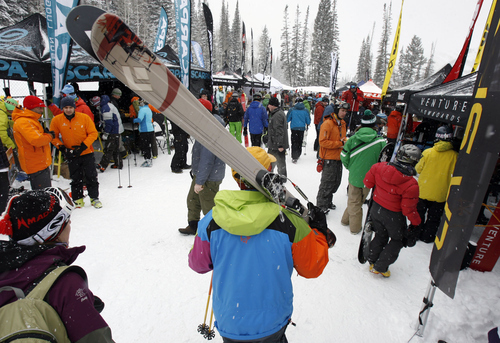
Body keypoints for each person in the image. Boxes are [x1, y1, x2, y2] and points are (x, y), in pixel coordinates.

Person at [188, 146, 334, 343]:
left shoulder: (211, 221)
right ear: (269, 176)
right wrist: (318, 234)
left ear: (236, 177)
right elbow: (312, 267)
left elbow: (198, 264)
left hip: (231, 322)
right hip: (272, 322)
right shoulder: (290, 223)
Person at [0, 187, 115, 342]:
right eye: (66, 221)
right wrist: (73, 302)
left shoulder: (6, 269)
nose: (70, 224)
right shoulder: (66, 284)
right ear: (53, 230)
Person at [363, 144, 422, 277]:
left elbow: (367, 182)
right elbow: (408, 209)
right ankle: (381, 266)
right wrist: (416, 222)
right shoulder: (411, 184)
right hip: (394, 216)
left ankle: (372, 259)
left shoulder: (378, 167)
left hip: (376, 208)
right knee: (398, 240)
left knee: (380, 234)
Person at [178, 103, 226, 235]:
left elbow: (207, 159)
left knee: (208, 207)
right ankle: (193, 226)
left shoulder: (210, 129)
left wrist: (200, 181)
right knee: (193, 199)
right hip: (202, 174)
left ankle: (214, 234)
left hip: (208, 177)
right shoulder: (206, 125)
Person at [50, 96, 101, 209]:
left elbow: (93, 133)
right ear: (63, 108)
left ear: (74, 107)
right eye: (66, 107)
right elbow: (53, 137)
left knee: (91, 176)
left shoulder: (84, 118)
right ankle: (77, 199)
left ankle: (94, 198)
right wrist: (62, 148)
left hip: (86, 152)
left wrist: (83, 146)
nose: (68, 110)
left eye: (70, 107)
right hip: (71, 153)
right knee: (75, 177)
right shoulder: (57, 120)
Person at [340, 110, 386, 234]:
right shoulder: (381, 142)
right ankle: (348, 223)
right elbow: (384, 161)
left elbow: (343, 155)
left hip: (354, 176)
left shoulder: (352, 139)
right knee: (357, 201)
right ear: (374, 125)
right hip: (370, 179)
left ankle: (352, 226)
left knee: (354, 201)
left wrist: (351, 167)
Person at [415, 125, 458, 243]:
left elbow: (417, 169)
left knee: (419, 214)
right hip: (441, 193)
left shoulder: (427, 152)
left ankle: (415, 233)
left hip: (423, 190)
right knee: (434, 218)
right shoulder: (455, 156)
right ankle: (428, 236)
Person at [12, 95, 54, 190]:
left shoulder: (31, 120)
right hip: (35, 163)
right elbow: (37, 140)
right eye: (39, 107)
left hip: (38, 162)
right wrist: (49, 136)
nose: (41, 110)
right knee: (42, 193)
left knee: (44, 192)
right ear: (31, 107)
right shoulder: (24, 121)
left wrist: (44, 134)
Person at [316, 102, 348, 213]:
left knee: (336, 183)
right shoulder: (327, 124)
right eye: (342, 110)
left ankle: (328, 201)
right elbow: (323, 142)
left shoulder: (343, 123)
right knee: (326, 183)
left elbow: (342, 138)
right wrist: (339, 143)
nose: (344, 113)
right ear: (336, 110)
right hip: (329, 159)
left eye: (345, 111)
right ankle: (321, 206)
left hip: (339, 158)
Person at [96, 95, 124, 172]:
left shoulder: (106, 108)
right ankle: (118, 163)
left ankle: (103, 165)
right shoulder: (109, 105)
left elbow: (109, 123)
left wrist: (106, 134)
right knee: (115, 148)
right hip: (117, 130)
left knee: (109, 148)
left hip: (114, 131)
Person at [267, 97, 289, 177]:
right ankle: (281, 177)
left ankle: (269, 176)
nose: (268, 106)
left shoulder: (277, 115)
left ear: (273, 105)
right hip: (275, 143)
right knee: (280, 162)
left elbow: (279, 131)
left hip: (276, 145)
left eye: (269, 104)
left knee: (271, 162)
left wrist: (280, 144)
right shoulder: (278, 113)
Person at [287, 97, 311, 163]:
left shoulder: (292, 109)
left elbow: (287, 119)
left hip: (294, 128)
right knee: (300, 141)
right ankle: (298, 153)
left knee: (294, 141)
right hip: (302, 128)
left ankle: (294, 156)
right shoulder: (305, 110)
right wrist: (307, 123)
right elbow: (308, 121)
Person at [133, 99, 154, 168]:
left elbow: (139, 119)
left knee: (145, 146)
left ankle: (148, 160)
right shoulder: (148, 109)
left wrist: (133, 120)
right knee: (148, 145)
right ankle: (149, 158)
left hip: (144, 130)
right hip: (150, 129)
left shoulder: (142, 110)